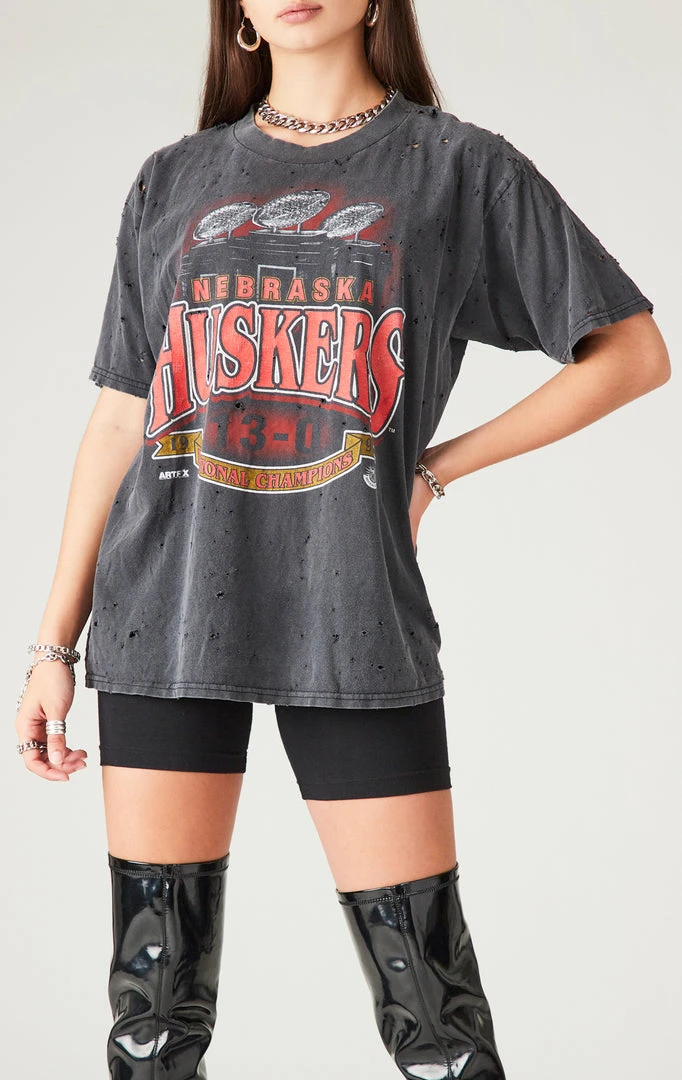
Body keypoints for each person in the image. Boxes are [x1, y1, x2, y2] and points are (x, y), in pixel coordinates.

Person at [15, 1, 670, 1077]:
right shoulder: (173, 180)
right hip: (161, 617)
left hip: (353, 614)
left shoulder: (457, 169)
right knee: (152, 1026)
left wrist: (435, 468)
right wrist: (53, 643)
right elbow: (122, 419)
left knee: (436, 1023)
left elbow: (632, 353)